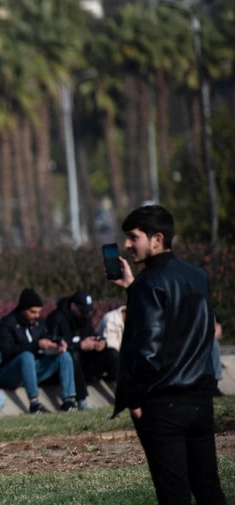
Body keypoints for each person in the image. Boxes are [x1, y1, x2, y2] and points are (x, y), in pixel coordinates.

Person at [109, 205, 226, 505]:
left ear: (157, 239)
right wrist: (132, 288)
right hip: (200, 400)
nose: (127, 245)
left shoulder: (149, 282)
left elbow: (148, 350)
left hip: (163, 406)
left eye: (134, 237)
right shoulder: (197, 276)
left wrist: (134, 400)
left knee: (173, 495)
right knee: (209, 489)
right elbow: (190, 329)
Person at [0, 288, 78, 413]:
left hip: (31, 371)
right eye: (32, 312)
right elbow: (8, 351)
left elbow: (46, 338)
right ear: (22, 309)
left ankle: (68, 401)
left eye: (38, 312)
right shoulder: (7, 324)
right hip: (5, 374)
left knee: (64, 356)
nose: (37, 315)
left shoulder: (38, 323)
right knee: (26, 356)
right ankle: (34, 403)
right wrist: (37, 345)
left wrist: (56, 343)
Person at [45, 290, 119, 410]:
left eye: (88, 312)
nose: (86, 315)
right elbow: (52, 346)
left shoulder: (86, 319)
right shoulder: (56, 318)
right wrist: (79, 345)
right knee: (72, 355)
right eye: (83, 311)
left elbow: (90, 336)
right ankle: (81, 399)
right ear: (73, 306)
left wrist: (100, 343)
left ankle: (125, 393)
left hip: (84, 365)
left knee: (112, 354)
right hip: (63, 369)